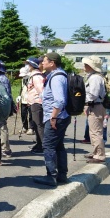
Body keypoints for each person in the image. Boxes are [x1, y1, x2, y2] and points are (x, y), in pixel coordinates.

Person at [33, 52, 71, 187]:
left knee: (48, 146)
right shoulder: (59, 75)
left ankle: (51, 176)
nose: (42, 63)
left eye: (44, 61)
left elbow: (59, 100)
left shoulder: (56, 78)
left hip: (56, 117)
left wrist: (53, 117)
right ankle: (61, 175)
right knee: (59, 146)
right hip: (62, 116)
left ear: (52, 63)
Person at [82, 56, 106, 163]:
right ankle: (96, 152)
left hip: (95, 106)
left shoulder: (95, 78)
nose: (84, 66)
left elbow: (93, 94)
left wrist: (82, 101)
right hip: (94, 106)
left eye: (86, 65)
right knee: (93, 131)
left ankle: (99, 155)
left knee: (96, 131)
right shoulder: (93, 76)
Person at [26, 57, 45, 155]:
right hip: (33, 103)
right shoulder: (34, 75)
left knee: (39, 125)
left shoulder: (37, 76)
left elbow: (41, 91)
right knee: (37, 125)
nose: (27, 66)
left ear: (32, 65)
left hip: (37, 103)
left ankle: (43, 146)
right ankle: (39, 144)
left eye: (28, 64)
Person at [17, 66, 33, 135]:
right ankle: (24, 127)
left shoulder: (32, 78)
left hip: (31, 100)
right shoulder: (23, 79)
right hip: (24, 99)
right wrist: (19, 95)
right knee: (23, 114)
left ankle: (31, 128)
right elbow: (22, 88)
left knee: (31, 114)